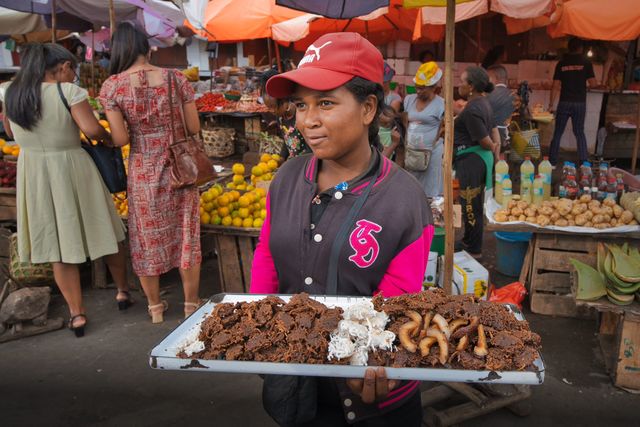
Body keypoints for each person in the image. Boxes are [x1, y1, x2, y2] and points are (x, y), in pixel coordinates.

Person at [251, 32, 434, 427]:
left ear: (368, 108)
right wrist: (258, 330)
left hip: (369, 394)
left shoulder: (405, 200)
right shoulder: (286, 179)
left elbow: (398, 301)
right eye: (301, 105)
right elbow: (267, 254)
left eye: (326, 103)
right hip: (295, 381)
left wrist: (365, 356)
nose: (308, 120)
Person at [0, 43, 130, 337]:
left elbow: (9, 133)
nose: (74, 74)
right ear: (59, 68)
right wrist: (109, 138)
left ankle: (77, 314)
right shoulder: (68, 92)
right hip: (72, 166)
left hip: (33, 170)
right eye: (72, 68)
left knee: (59, 245)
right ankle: (122, 291)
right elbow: (92, 129)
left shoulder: (9, 91)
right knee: (106, 230)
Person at [99, 23, 202, 323]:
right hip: (180, 168)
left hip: (143, 170)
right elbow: (193, 127)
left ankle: (155, 308)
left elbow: (120, 140)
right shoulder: (176, 78)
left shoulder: (112, 87)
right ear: (146, 47)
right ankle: (191, 304)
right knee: (186, 235)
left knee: (146, 238)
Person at [453, 66, 499, 258]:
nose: (459, 84)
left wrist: (494, 148)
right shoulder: (483, 103)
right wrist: (496, 151)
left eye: (462, 81)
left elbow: (486, 141)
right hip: (477, 160)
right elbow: (495, 129)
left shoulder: (472, 109)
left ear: (471, 86)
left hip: (472, 161)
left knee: (471, 204)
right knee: (473, 203)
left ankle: (473, 249)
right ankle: (468, 240)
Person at [548, 37, 597, 166]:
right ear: (580, 48)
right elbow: (593, 84)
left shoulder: (561, 63)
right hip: (580, 103)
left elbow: (555, 85)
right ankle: (584, 162)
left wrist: (550, 105)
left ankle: (552, 162)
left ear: (569, 48)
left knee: (558, 132)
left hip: (564, 102)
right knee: (579, 132)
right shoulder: (586, 62)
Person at [403, 62, 445, 197]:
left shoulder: (441, 104)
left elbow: (447, 125)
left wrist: (440, 134)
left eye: (422, 88)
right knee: (411, 188)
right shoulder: (409, 100)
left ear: (433, 87)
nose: (418, 91)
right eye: (417, 88)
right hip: (412, 153)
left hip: (432, 154)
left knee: (430, 190)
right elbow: (405, 120)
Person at [260, 68, 311, 160]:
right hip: (294, 162)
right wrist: (282, 158)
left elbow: (311, 146)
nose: (271, 111)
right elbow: (287, 139)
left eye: (273, 106)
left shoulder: (301, 115)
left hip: (307, 162)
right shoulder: (280, 118)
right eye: (268, 107)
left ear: (284, 101)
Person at [486, 65, 516, 148]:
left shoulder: (488, 94)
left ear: (495, 77)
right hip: (506, 136)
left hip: (490, 137)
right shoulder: (513, 95)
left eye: (488, 78)